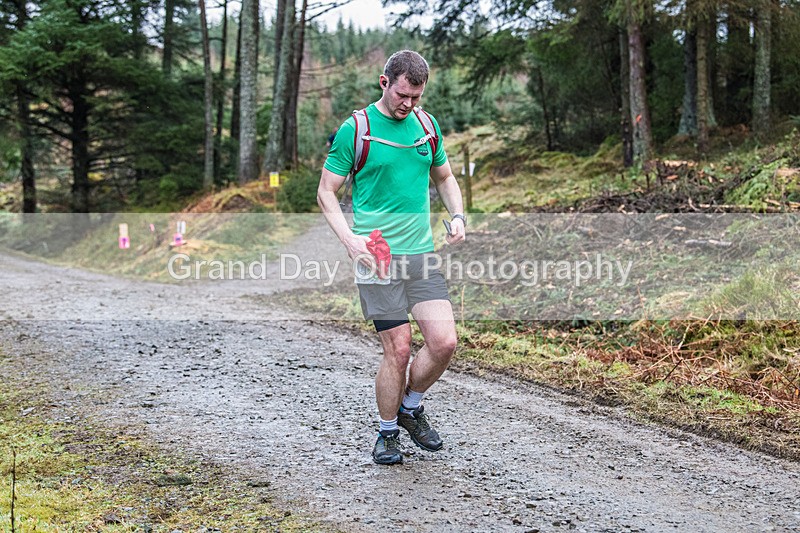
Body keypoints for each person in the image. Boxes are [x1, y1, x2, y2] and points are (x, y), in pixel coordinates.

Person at [317, 50, 466, 465]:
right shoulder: (357, 129)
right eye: (403, 95)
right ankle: (386, 435)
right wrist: (349, 240)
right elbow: (326, 191)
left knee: (444, 342)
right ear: (385, 83)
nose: (409, 104)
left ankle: (410, 407)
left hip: (420, 254)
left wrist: (457, 215)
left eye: (417, 97)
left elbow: (446, 177)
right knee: (398, 350)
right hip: (377, 256)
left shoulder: (426, 126)